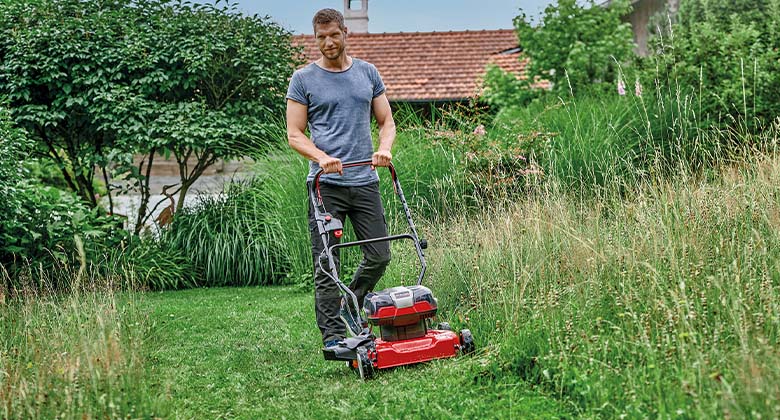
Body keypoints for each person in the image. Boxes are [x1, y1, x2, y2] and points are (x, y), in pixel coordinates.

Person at [285, 8, 396, 352]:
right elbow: (294, 134)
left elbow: (386, 121)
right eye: (321, 37)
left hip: (364, 181)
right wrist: (321, 157)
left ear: (345, 33)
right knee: (327, 260)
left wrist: (385, 149)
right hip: (325, 186)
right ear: (315, 38)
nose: (328, 42)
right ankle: (333, 335)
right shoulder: (303, 79)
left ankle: (353, 300)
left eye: (334, 34)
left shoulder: (368, 73)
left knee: (380, 255)